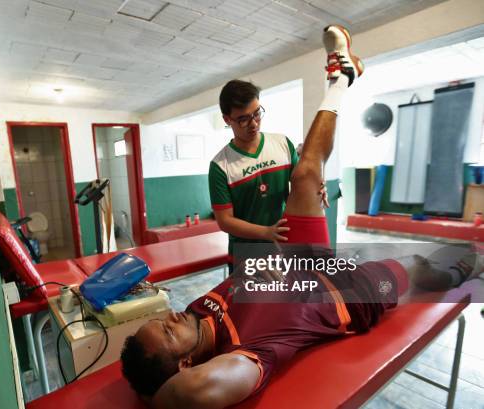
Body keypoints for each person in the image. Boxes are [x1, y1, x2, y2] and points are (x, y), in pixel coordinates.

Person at [120, 25, 481, 409]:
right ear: (186, 364)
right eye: (168, 332)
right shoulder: (245, 353)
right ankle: (463, 272)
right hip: (346, 294)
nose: (171, 316)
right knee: (419, 264)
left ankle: (341, 78)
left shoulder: (194, 314)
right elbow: (194, 392)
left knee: (308, 172)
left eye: (160, 321)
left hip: (293, 252)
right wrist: (156, 399)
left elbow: (302, 179)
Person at [209, 74, 327, 260]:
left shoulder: (282, 144)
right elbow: (225, 221)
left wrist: (316, 189)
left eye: (257, 113)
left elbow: (301, 184)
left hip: (285, 246)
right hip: (246, 255)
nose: (254, 123)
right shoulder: (220, 166)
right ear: (227, 119)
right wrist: (266, 232)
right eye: (243, 119)